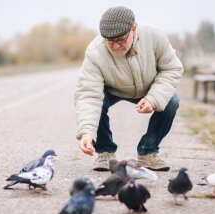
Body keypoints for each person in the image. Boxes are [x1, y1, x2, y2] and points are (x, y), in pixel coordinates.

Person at [74, 6, 183, 172]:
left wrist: (153, 99)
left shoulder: (155, 36)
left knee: (172, 101)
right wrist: (87, 132)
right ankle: (105, 152)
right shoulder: (94, 52)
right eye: (111, 41)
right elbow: (89, 95)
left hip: (149, 88)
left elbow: (172, 68)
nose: (116, 46)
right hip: (112, 89)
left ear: (133, 29)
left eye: (121, 40)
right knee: (98, 102)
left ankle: (148, 152)